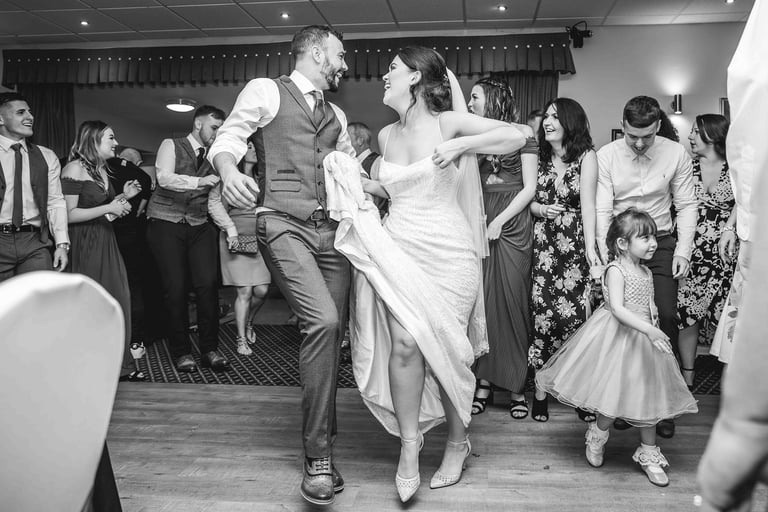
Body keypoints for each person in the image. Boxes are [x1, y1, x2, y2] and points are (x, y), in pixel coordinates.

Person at [349, 46, 525, 503]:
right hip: (399, 246)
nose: (383, 76)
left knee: (449, 348)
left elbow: (520, 134)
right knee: (406, 344)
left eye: (391, 69)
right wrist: (365, 185)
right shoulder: (386, 135)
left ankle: (456, 442)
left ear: (416, 77)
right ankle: (410, 446)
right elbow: (398, 187)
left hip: (449, 252)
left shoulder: (448, 122)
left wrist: (464, 144)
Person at [208, 25, 354, 506]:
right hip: (281, 224)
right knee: (323, 320)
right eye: (339, 54)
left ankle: (324, 447)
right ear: (316, 52)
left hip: (331, 232)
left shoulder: (338, 114)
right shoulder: (267, 90)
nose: (344, 64)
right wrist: (229, 170)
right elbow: (229, 136)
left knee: (332, 334)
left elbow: (349, 174)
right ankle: (316, 457)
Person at [537, 208, 698, 487]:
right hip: (619, 339)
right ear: (623, 243)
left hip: (646, 343)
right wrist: (647, 328)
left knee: (650, 398)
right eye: (645, 238)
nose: (653, 243)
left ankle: (649, 453)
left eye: (653, 237)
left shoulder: (647, 271)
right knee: (611, 398)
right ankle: (597, 434)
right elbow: (617, 308)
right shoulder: (616, 269)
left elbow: (649, 306)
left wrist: (654, 329)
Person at [596, 95, 697, 439]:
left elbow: (685, 204)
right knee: (621, 323)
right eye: (632, 136)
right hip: (622, 244)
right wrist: (602, 254)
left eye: (647, 136)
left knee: (665, 316)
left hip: (661, 242)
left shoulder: (676, 153)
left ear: (658, 127)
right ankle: (625, 401)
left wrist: (682, 250)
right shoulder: (606, 156)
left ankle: (661, 403)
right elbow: (602, 209)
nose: (639, 144)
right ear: (623, 125)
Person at [465, 77, 537, 420]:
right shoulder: (474, 137)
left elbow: (529, 187)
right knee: (483, 302)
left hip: (512, 221)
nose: (469, 103)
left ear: (491, 99)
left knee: (512, 300)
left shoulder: (522, 132)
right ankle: (483, 381)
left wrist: (500, 221)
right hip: (480, 219)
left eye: (474, 97)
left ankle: (516, 385)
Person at [528, 97, 599, 423]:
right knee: (543, 318)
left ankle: (581, 393)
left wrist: (590, 252)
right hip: (542, 245)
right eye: (547, 116)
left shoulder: (587, 157)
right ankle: (540, 392)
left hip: (573, 246)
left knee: (576, 322)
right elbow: (528, 199)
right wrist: (542, 210)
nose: (547, 121)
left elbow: (588, 207)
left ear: (570, 121)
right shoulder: (537, 156)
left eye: (555, 117)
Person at [146, 105, 229, 373]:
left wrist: (230, 228)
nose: (217, 134)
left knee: (208, 285)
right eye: (214, 128)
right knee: (176, 288)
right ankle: (181, 352)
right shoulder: (171, 144)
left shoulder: (215, 157)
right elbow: (165, 178)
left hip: (198, 223)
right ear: (198, 125)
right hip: (165, 222)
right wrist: (198, 182)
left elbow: (213, 199)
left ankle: (210, 349)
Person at [61, 120, 144, 381]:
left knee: (118, 300)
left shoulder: (101, 170)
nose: (116, 143)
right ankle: (86, 368)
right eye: (111, 138)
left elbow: (103, 213)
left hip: (105, 240)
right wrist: (110, 207)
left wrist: (124, 199)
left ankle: (116, 366)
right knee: (89, 307)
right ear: (94, 140)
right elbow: (69, 215)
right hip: (83, 244)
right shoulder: (73, 168)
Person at [676, 114, 736, 388]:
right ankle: (688, 375)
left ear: (712, 135)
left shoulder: (735, 169)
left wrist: (731, 228)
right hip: (692, 254)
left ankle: (730, 376)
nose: (690, 136)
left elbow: (747, 202)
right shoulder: (686, 167)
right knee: (687, 315)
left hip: (727, 257)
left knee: (729, 317)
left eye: (696, 131)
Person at [208, 134, 271, 355]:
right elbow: (216, 206)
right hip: (235, 239)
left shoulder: (264, 177)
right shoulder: (227, 177)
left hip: (260, 240)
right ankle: (241, 339)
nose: (254, 150)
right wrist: (230, 231)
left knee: (262, 291)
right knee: (244, 291)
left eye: (255, 146)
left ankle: (248, 321)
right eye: (250, 146)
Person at [0, 92, 69, 280]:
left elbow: (55, 202)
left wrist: (62, 244)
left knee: (39, 304)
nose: (30, 117)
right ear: (1, 118)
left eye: (30, 112)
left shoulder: (47, 156)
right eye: (21, 112)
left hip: (34, 242)